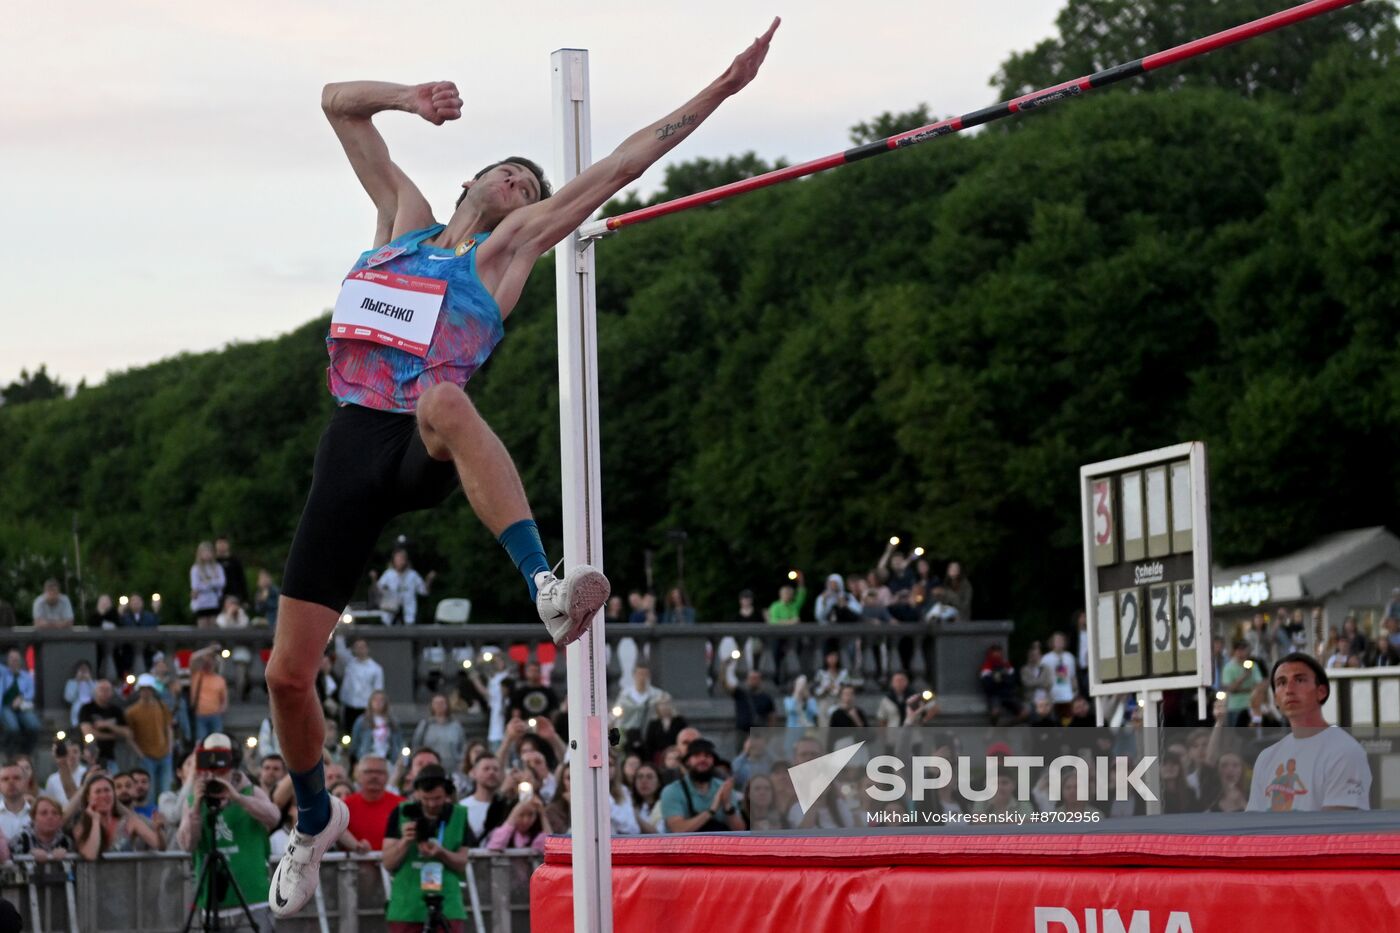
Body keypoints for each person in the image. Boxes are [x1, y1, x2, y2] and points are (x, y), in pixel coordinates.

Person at [265, 23, 779, 916]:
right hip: (350, 444)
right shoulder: (399, 219)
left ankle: (543, 580)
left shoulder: (509, 252)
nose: (524, 186)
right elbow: (335, 105)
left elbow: (615, 167)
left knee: (447, 401)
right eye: (513, 173)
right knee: (285, 675)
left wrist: (720, 91)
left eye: (532, 188)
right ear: (471, 179)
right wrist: (409, 98)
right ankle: (315, 816)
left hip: (421, 441)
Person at [176, 735, 280, 927]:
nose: (216, 765)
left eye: (222, 756)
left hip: (252, 899)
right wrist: (197, 805)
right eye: (210, 757)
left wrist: (237, 797)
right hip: (212, 899)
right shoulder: (193, 800)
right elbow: (186, 844)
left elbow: (274, 817)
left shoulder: (251, 790)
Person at [1247, 653, 1371, 812]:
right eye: (1281, 683)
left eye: (1299, 680)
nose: (1289, 690)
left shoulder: (1345, 752)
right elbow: (1253, 825)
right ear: (1276, 699)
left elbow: (1337, 826)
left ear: (1321, 692)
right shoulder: (1266, 757)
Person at [382, 764, 471, 932]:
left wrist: (441, 853)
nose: (431, 804)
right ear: (417, 793)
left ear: (447, 793)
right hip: (407, 905)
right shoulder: (401, 812)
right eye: (426, 799)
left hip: (447, 903)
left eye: (437, 798)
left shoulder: (459, 814)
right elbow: (388, 863)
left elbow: (462, 862)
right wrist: (405, 841)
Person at [68, 771, 163, 857]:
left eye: (107, 790)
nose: (104, 795)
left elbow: (159, 845)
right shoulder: (81, 826)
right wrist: (95, 820)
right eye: (98, 791)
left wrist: (158, 830)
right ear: (88, 797)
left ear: (114, 795)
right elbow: (90, 855)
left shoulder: (130, 822)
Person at [660, 739, 745, 832]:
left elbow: (739, 831)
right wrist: (711, 811)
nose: (702, 759)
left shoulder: (723, 788)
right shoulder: (672, 791)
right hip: (685, 846)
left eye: (707, 756)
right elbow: (678, 829)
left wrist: (727, 806)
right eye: (697, 755)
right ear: (688, 761)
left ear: (713, 761)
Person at [125, 674, 175, 795]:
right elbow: (129, 736)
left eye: (148, 689)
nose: (146, 692)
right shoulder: (131, 712)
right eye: (143, 689)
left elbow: (168, 728)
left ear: (152, 690)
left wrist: (170, 749)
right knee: (149, 792)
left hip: (164, 754)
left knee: (166, 791)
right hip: (146, 757)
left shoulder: (162, 706)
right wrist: (140, 754)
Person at [344, 755, 403, 851]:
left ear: (388, 776)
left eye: (380, 772)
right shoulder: (344, 807)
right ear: (358, 776)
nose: (374, 776)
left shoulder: (401, 805)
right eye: (368, 772)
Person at [371, 546, 435, 625]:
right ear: (393, 560)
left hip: (408, 616)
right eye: (398, 559)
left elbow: (424, 592)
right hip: (389, 615)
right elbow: (378, 591)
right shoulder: (388, 574)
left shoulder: (412, 575)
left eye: (402, 558)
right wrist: (374, 579)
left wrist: (429, 580)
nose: (400, 561)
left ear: (406, 560)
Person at [459, 753, 512, 848]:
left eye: (496, 769)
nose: (491, 772)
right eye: (486, 769)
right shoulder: (462, 807)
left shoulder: (507, 807)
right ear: (474, 773)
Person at [78, 678, 130, 769]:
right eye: (101, 689)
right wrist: (114, 736)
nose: (104, 692)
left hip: (110, 757)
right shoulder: (87, 709)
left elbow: (127, 732)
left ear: (112, 692)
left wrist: (108, 725)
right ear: (95, 691)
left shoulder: (116, 710)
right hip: (90, 758)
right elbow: (88, 733)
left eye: (107, 689)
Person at [338, 638, 385, 734]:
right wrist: (340, 633)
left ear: (367, 649)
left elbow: (378, 690)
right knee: (348, 732)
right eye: (357, 647)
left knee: (364, 732)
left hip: (365, 707)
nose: (360, 650)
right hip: (349, 706)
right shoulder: (349, 663)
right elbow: (340, 651)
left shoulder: (376, 668)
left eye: (362, 647)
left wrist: (373, 708)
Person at [11, 796, 73, 864]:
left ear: (60, 818)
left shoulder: (67, 842)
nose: (50, 817)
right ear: (33, 818)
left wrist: (66, 854)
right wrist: (29, 853)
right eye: (44, 813)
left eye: (55, 813)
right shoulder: (20, 840)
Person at [411, 694, 467, 769]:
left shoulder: (456, 726)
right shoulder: (425, 725)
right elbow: (416, 744)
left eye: (442, 703)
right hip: (430, 767)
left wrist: (462, 762)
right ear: (432, 705)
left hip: (452, 767)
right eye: (436, 703)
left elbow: (463, 746)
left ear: (447, 705)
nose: (439, 706)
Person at [0, 649, 40, 755]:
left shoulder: (26, 676)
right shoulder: (3, 673)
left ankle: (26, 752)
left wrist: (21, 698)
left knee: (34, 726)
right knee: (13, 728)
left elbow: (31, 692)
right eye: (12, 659)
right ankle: (8, 752)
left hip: (22, 706)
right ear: (7, 661)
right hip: (6, 706)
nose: (14, 662)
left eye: (16, 660)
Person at [189, 541, 227, 628]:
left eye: (208, 552)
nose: (206, 554)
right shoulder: (195, 569)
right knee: (203, 626)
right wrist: (212, 583)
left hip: (214, 601)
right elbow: (196, 586)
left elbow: (221, 582)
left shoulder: (217, 567)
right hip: (201, 603)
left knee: (213, 625)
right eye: (204, 552)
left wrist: (208, 583)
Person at [214, 536, 249, 607]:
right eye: (219, 543)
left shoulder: (235, 560)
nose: (222, 545)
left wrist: (245, 598)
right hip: (218, 597)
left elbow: (242, 579)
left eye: (224, 543)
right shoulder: (214, 562)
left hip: (235, 595)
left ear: (228, 544)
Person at [0, 763, 31, 841]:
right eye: (5, 779)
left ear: (26, 783)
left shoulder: (38, 815)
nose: (11, 782)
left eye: (16, 778)